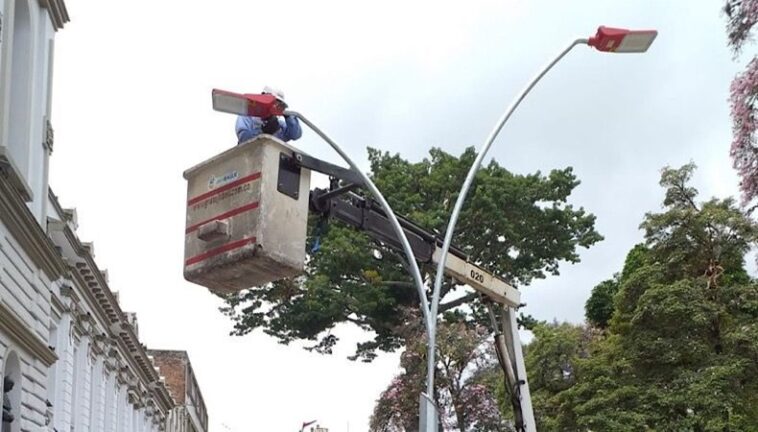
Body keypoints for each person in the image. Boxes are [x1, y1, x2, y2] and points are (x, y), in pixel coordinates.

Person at [235, 86, 302, 144]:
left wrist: (288, 117)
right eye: (274, 102)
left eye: (278, 105)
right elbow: (243, 138)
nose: (275, 106)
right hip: (250, 156)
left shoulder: (278, 125)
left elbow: (295, 135)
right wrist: (263, 132)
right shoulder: (247, 117)